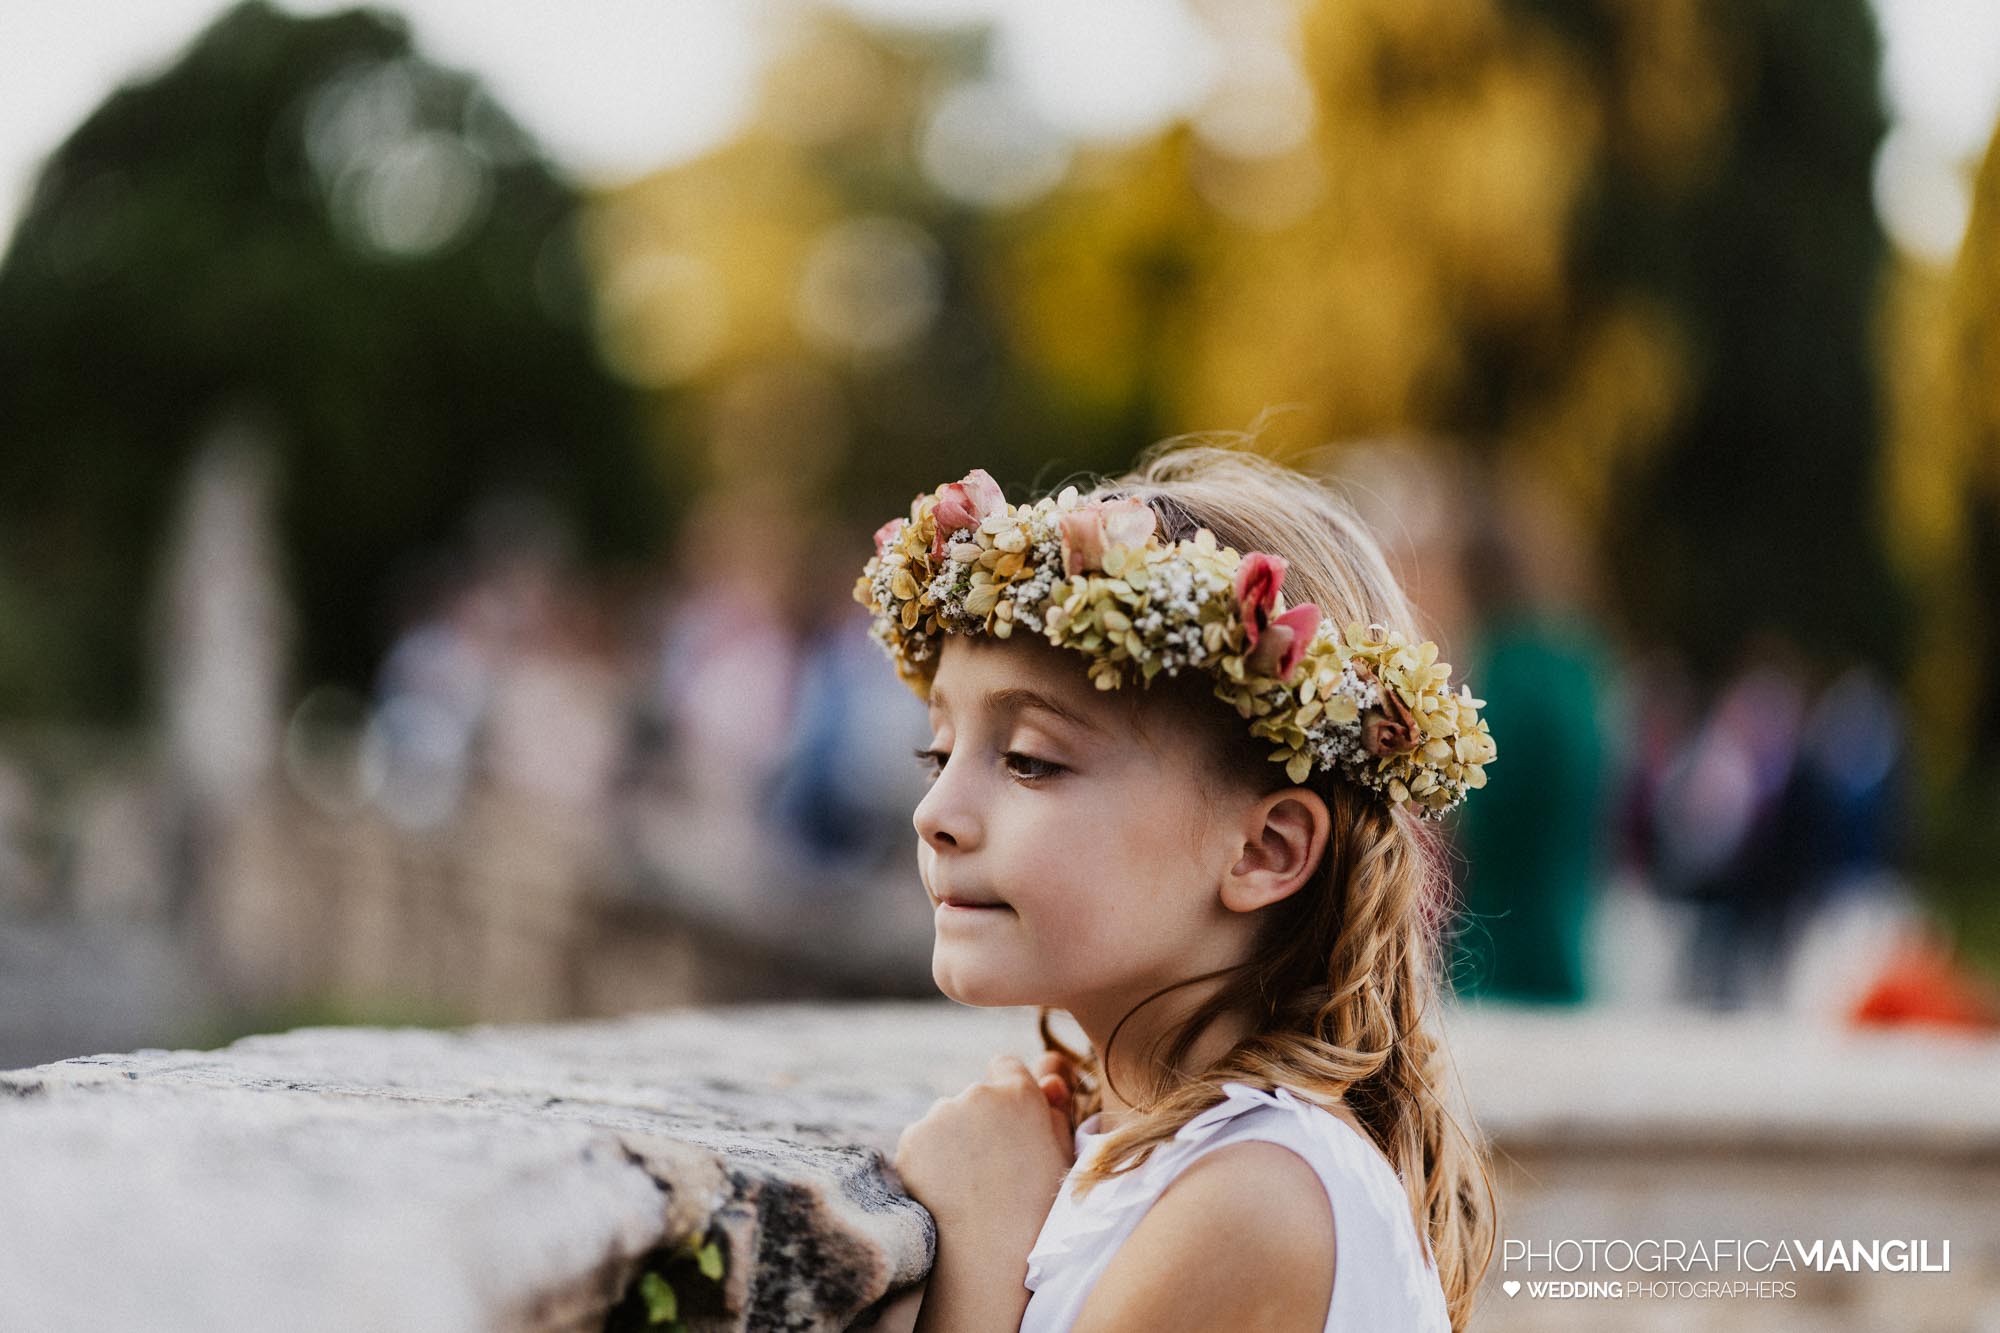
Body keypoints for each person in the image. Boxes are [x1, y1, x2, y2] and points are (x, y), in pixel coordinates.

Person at [857, 439, 1497, 1332]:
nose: (936, 811)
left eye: (1031, 761)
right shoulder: (1134, 1147)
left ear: (1266, 849)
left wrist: (980, 1237)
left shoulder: (1258, 1200)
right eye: (938, 751)